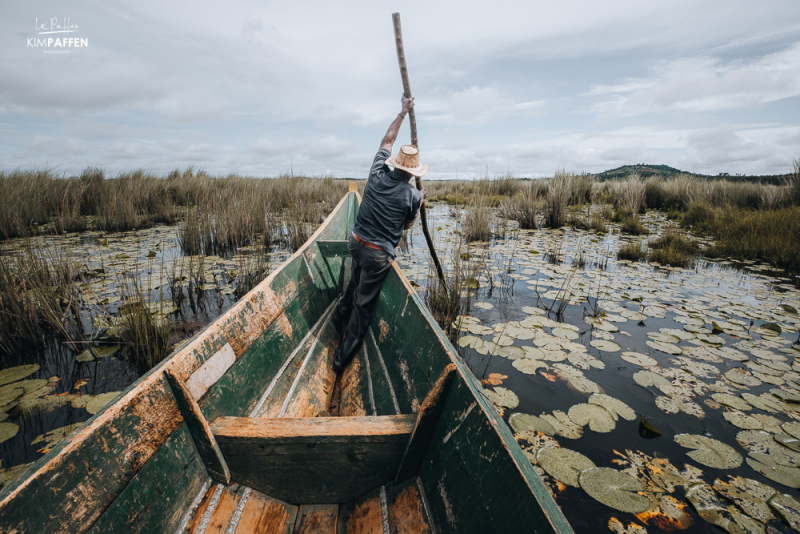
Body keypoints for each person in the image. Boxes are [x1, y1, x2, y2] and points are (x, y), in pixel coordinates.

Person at [333, 95, 428, 373]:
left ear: (396, 163)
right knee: (364, 306)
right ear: (412, 173)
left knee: (356, 277)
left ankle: (340, 311)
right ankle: (341, 360)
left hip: (356, 242)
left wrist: (402, 111)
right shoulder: (412, 194)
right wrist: (419, 200)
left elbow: (387, 140)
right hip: (377, 255)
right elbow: (407, 226)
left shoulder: (376, 171)